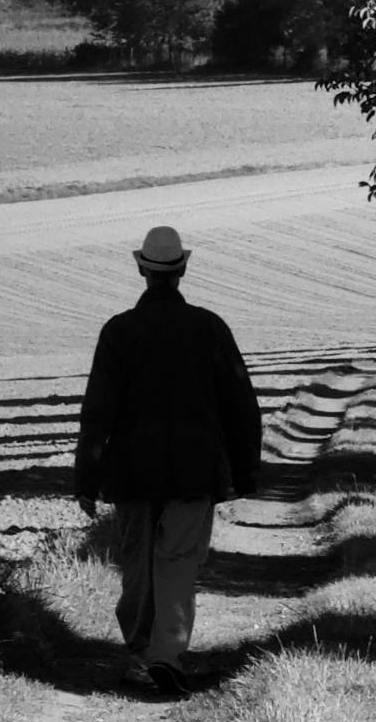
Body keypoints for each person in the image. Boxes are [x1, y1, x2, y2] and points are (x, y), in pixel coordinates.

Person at [74, 222, 262, 694]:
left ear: (142, 269)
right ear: (182, 270)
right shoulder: (209, 328)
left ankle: (139, 652)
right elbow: (241, 405)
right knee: (177, 559)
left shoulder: (118, 331)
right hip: (195, 469)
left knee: (137, 561)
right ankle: (167, 653)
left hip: (132, 471)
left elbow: (98, 411)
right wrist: (246, 472)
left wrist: (87, 477)